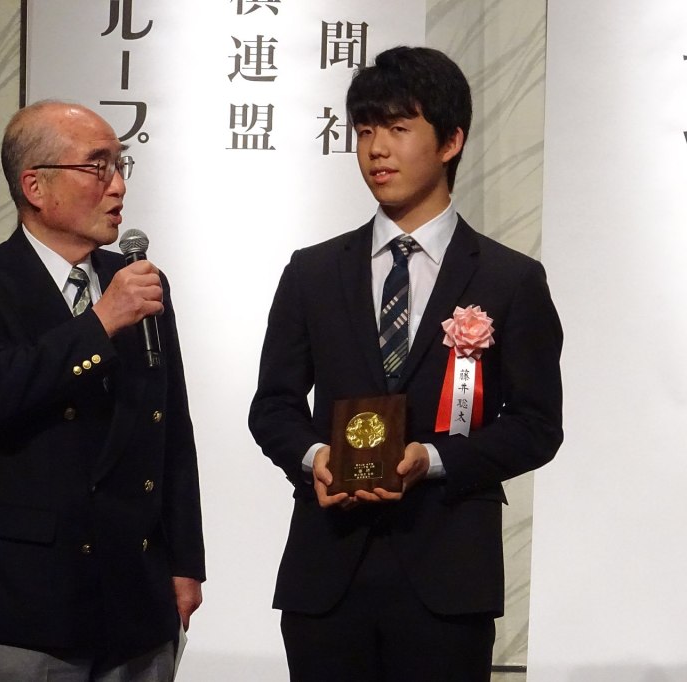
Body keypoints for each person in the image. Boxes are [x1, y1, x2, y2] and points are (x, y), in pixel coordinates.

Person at [248, 47, 563, 681]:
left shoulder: (510, 279)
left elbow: (536, 425)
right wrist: (315, 457)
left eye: (397, 128)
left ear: (450, 141)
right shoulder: (312, 272)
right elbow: (273, 406)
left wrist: (434, 459)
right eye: (364, 131)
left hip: (448, 576)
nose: (377, 150)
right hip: (327, 572)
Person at [0, 100, 205, 681]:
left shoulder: (139, 282)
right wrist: (100, 323)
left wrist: (185, 561)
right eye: (97, 167)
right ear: (35, 185)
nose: (118, 186)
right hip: (28, 599)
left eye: (120, 165)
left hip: (138, 592)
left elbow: (171, 428)